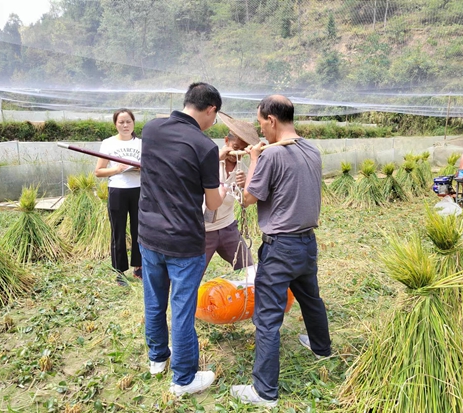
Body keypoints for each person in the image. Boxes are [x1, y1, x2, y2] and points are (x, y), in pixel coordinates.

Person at [230, 95, 332, 407]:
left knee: (267, 317)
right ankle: (321, 347)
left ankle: (264, 391)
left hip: (280, 247)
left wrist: (255, 160)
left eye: (261, 124)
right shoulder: (310, 149)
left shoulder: (272, 156)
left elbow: (248, 198)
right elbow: (282, 189)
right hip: (306, 242)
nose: (261, 131)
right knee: (310, 298)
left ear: (271, 120)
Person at [138, 82, 226, 396]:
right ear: (211, 110)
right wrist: (225, 188)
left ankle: (157, 359)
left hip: (148, 234)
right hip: (184, 242)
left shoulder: (151, 129)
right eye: (215, 117)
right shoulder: (205, 146)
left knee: (154, 301)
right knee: (182, 309)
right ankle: (184, 379)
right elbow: (214, 203)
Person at [203, 112, 260, 274]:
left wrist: (244, 185)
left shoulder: (243, 168)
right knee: (194, 274)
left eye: (243, 150)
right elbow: (193, 180)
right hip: (204, 230)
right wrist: (215, 161)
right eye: (235, 148)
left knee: (247, 267)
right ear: (226, 141)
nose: (237, 154)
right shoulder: (209, 159)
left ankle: (248, 298)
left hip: (228, 227)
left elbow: (245, 202)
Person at [95, 108, 142, 286]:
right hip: (117, 190)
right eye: (121, 122)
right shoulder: (108, 143)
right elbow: (98, 171)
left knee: (139, 230)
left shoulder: (141, 143)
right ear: (115, 124)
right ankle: (120, 271)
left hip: (138, 190)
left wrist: (140, 168)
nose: (125, 125)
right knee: (118, 231)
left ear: (133, 123)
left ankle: (139, 267)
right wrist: (117, 169)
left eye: (128, 121)